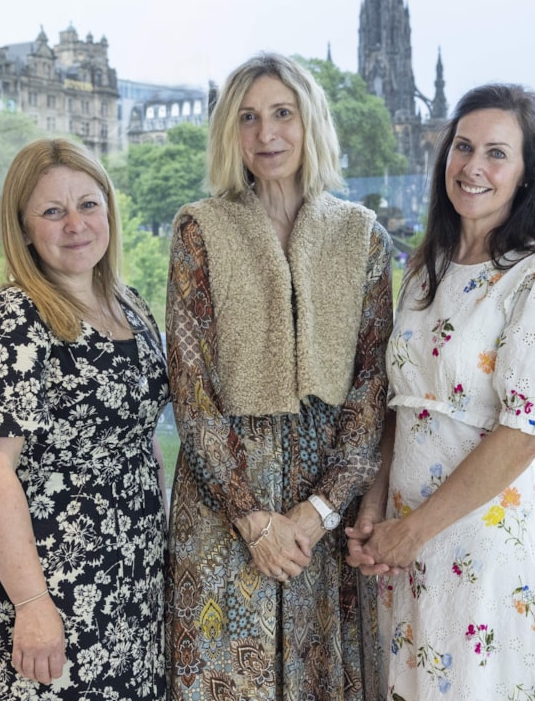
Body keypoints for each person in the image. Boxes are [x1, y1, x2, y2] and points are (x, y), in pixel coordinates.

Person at [347, 84, 535, 700]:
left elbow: (524, 433)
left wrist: (413, 530)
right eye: (462, 147)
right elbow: (398, 407)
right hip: (401, 548)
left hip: (479, 549)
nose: (473, 167)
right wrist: (376, 511)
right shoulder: (423, 270)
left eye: (496, 153)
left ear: (527, 175)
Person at [165, 52, 393, 700]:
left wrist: (317, 513)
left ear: (310, 121)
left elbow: (371, 391)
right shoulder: (200, 229)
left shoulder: (361, 235)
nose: (267, 134)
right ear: (229, 133)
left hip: (322, 506)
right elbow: (192, 386)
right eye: (249, 118)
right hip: (222, 505)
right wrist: (251, 518)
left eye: (282, 114)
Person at [0, 138, 170, 700]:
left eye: (89, 205)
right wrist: (31, 604)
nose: (76, 224)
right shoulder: (8, 321)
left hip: (132, 584)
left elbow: (140, 438)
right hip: (51, 587)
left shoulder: (132, 306)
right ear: (23, 228)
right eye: (52, 211)